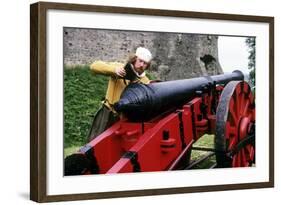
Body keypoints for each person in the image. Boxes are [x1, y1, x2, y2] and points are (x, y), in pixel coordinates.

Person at [88, 47, 153, 141]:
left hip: (124, 118)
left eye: (145, 63)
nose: (142, 65)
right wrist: (114, 70)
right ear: (134, 59)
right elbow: (94, 66)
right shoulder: (119, 67)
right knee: (94, 142)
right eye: (140, 61)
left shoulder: (145, 81)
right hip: (107, 112)